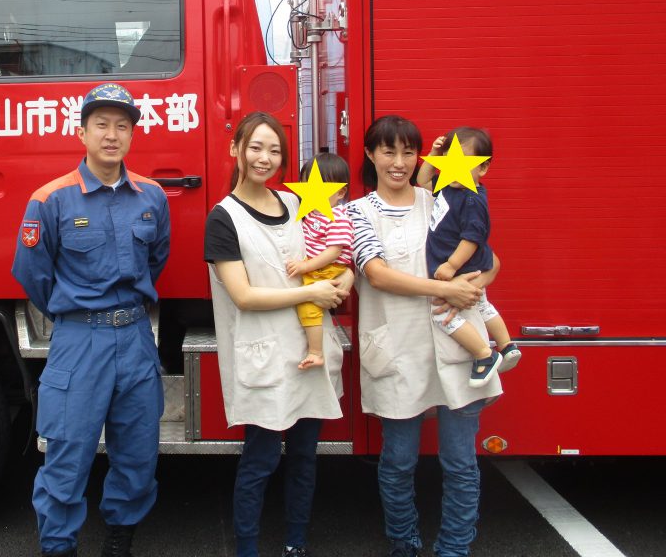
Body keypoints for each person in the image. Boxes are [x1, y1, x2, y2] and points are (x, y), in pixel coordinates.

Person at [12, 82, 171, 557]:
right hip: (80, 340)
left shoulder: (152, 197)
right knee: (67, 454)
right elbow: (34, 276)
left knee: (138, 452)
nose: (112, 134)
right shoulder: (51, 200)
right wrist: (79, 311)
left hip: (137, 338)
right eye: (101, 124)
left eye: (122, 126)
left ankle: (119, 540)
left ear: (132, 136)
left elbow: (156, 259)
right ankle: (59, 547)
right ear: (81, 132)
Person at [347, 115, 502, 557]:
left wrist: (480, 277)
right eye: (388, 151)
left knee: (460, 463)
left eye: (409, 152)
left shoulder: (441, 199)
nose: (399, 162)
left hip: (457, 347)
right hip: (397, 351)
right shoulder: (355, 213)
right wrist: (448, 288)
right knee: (397, 462)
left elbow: (490, 258)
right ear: (370, 154)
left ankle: (454, 547)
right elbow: (377, 275)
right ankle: (404, 541)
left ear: (421, 157)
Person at [204, 112, 350, 557]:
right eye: (255, 147)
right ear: (236, 150)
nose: (264, 158)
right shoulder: (223, 218)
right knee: (260, 461)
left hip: (310, 354)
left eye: (274, 150)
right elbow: (244, 296)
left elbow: (333, 252)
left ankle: (295, 544)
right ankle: (247, 548)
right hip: (264, 356)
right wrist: (315, 291)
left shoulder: (295, 205)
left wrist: (345, 281)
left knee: (305, 458)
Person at [416, 128, 521, 385]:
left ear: (482, 169)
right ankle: (507, 346)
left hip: (466, 267)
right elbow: (421, 180)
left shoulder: (472, 200)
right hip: (468, 267)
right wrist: (433, 154)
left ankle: (484, 355)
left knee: (441, 315)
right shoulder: (449, 187)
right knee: (482, 305)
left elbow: (472, 239)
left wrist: (451, 265)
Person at [284, 153, 354, 370]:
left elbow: (334, 251)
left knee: (308, 304)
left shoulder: (337, 216)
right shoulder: (313, 213)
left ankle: (316, 351)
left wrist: (306, 266)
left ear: (341, 192)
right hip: (319, 265)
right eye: (308, 184)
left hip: (327, 268)